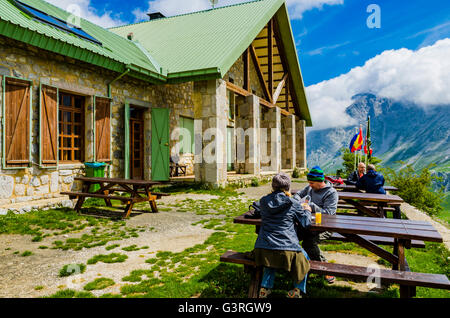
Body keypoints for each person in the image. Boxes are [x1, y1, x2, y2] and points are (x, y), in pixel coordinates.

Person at [253, 173, 311, 298]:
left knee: (272, 254)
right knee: (304, 256)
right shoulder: (292, 203)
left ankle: (264, 288)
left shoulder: (263, 201)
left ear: (273, 187)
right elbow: (305, 223)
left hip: (262, 249)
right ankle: (297, 289)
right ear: (288, 187)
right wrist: (307, 210)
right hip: (287, 248)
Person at [293, 165, 339, 284]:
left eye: (312, 183)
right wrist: (299, 201)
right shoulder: (309, 188)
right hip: (307, 225)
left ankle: (326, 269)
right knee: (290, 237)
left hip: (325, 227)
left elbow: (329, 213)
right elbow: (297, 195)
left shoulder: (331, 193)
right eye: (309, 182)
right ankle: (296, 266)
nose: (310, 185)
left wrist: (311, 206)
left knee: (309, 243)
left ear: (320, 181)